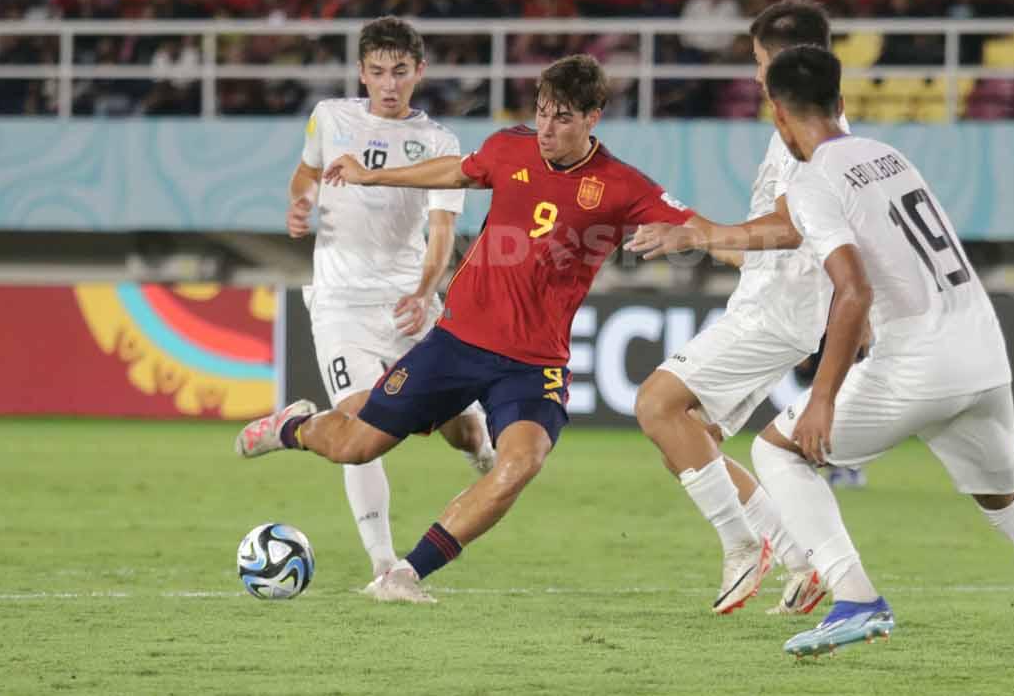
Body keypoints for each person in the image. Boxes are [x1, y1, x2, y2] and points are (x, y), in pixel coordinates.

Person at [628, 46, 1014, 670]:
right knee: (1013, 505)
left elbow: (853, 289)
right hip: (982, 353)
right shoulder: (884, 155)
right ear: (841, 105)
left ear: (778, 117)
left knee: (777, 450)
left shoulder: (813, 178)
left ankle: (855, 597)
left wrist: (820, 397)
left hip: (918, 361)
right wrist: (705, 234)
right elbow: (795, 229)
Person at [235, 54, 701, 603]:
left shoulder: (620, 185)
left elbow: (696, 226)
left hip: (534, 365)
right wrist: (372, 173)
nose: (547, 128)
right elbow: (455, 170)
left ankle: (405, 574)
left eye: (564, 118)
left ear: (594, 116)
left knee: (519, 463)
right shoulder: (511, 147)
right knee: (354, 446)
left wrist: (761, 250)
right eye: (543, 113)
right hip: (457, 344)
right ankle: (294, 427)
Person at [633, 0, 851, 616]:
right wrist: (696, 239)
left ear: (785, 60)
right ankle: (802, 560)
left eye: (759, 62)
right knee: (692, 434)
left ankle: (742, 545)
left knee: (656, 402)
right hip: (773, 303)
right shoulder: (813, 130)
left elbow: (787, 231)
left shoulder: (805, 139)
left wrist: (700, 232)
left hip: (776, 313)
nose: (755, 76)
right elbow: (785, 241)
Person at [285, 17, 494, 583]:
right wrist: (300, 205)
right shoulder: (329, 118)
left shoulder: (439, 144)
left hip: (408, 303)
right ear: (361, 71)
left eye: (400, 71)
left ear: (419, 72)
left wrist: (426, 291)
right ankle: (383, 564)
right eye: (377, 71)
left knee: (466, 433)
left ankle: (479, 451)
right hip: (339, 304)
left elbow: (443, 232)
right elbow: (304, 175)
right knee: (360, 429)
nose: (388, 83)